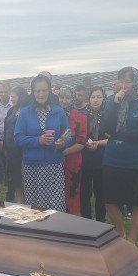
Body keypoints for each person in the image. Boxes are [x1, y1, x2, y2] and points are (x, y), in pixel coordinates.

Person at [102, 67, 138, 245]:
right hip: (113, 158)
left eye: (128, 81)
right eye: (121, 81)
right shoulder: (112, 100)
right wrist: (116, 104)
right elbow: (106, 128)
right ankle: (120, 233)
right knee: (110, 200)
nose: (124, 86)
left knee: (137, 202)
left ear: (136, 82)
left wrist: (115, 136)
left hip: (137, 160)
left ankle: (132, 240)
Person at [14, 75, 71, 212]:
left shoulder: (58, 111)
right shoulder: (25, 113)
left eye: (44, 90)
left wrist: (63, 143)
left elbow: (69, 135)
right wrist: (38, 141)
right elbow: (17, 137)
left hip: (54, 167)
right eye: (37, 91)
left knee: (55, 208)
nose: (41, 94)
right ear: (33, 92)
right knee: (35, 209)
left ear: (49, 91)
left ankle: (55, 227)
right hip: (32, 167)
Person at [80, 87, 108, 222]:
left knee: (100, 193)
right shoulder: (83, 115)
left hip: (102, 158)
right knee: (84, 192)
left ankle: (100, 222)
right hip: (85, 157)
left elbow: (113, 138)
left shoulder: (108, 116)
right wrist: (84, 143)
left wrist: (98, 143)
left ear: (104, 99)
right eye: (93, 97)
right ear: (89, 98)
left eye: (99, 97)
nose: (95, 100)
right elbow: (78, 135)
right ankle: (86, 221)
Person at [58, 86, 87, 215]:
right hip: (54, 161)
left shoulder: (80, 117)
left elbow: (81, 142)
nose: (64, 100)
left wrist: (63, 152)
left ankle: (70, 220)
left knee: (71, 194)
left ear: (73, 99)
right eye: (61, 97)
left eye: (68, 97)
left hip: (72, 163)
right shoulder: (53, 114)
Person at [3, 86, 29, 203]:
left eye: (13, 97)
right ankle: (19, 201)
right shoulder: (11, 110)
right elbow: (6, 129)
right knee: (16, 178)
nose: (11, 99)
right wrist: (5, 148)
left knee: (24, 178)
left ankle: (27, 201)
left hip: (22, 151)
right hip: (12, 151)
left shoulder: (27, 111)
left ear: (21, 97)